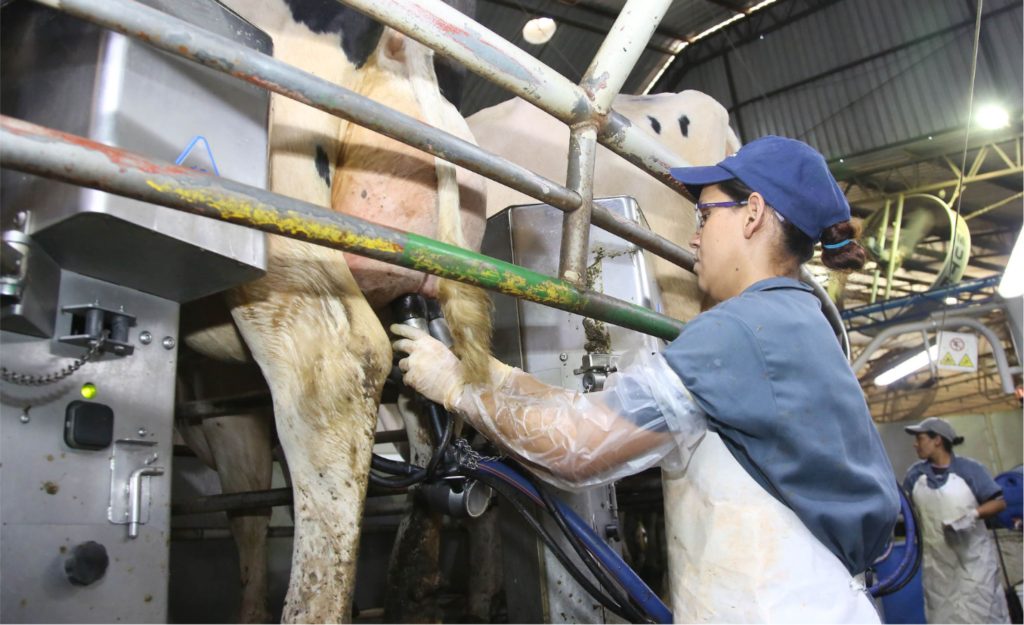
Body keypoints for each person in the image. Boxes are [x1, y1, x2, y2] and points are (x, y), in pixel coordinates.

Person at [392, 136, 900, 622]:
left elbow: (578, 446)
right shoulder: (793, 322)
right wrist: (502, 377)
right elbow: (592, 414)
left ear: (754, 214)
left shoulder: (740, 331)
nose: (694, 236)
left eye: (705, 215)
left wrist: (458, 389)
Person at [903, 417, 1010, 623]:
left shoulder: (969, 470)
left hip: (974, 564)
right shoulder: (915, 475)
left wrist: (972, 515)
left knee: (982, 614)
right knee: (944, 617)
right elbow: (906, 509)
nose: (916, 444)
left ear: (938, 440)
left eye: (920, 438)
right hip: (938, 565)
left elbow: (999, 503)